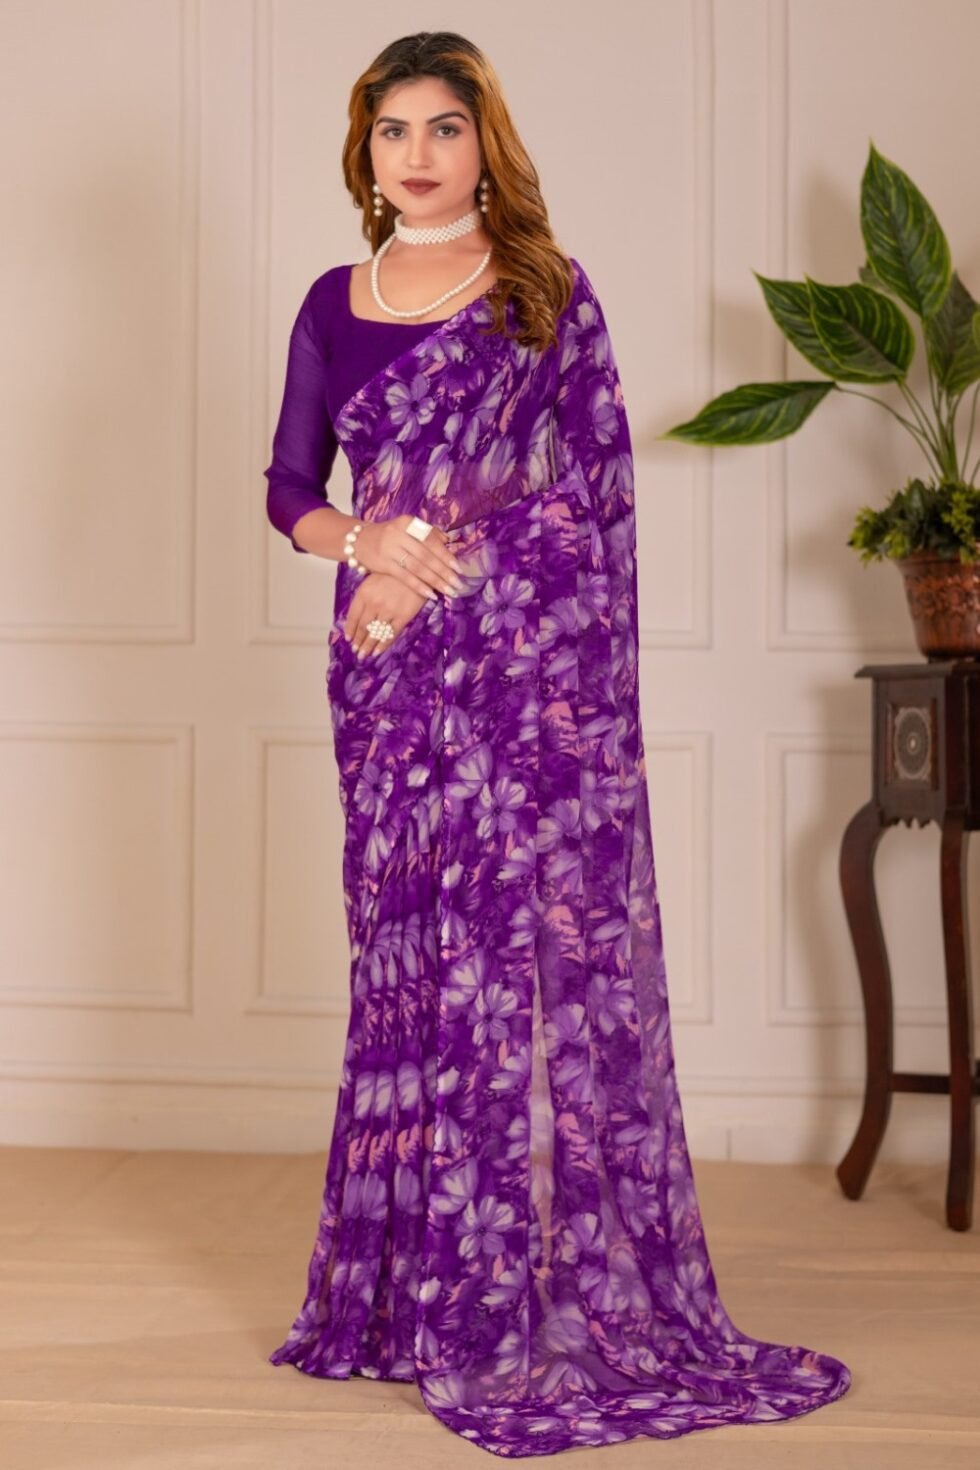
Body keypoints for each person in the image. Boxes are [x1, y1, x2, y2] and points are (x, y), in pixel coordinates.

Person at [263, 29, 852, 1459]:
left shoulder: (544, 295)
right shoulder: (333, 304)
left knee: (502, 970)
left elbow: (594, 505)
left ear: (486, 144)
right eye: (392, 131)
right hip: (385, 685)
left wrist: (438, 559)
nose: (416, 155)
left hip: (518, 699)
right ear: (365, 153)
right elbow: (288, 488)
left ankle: (505, 1301)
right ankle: (397, 1298)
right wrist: (369, 548)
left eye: (442, 128)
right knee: (406, 965)